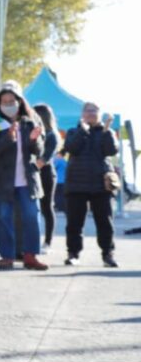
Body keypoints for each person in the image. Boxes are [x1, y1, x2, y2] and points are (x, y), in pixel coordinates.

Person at [0, 82, 48, 271]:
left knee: (31, 216)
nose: (8, 105)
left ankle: (30, 255)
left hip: (27, 179)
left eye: (12, 101)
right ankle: (6, 256)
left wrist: (34, 140)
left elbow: (38, 151)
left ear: (20, 102)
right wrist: (8, 139)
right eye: (4, 102)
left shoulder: (29, 122)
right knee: (3, 218)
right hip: (1, 180)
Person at [63, 102, 119, 268]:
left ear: (100, 114)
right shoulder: (73, 131)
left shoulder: (107, 132)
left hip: (101, 184)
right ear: (82, 114)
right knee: (74, 222)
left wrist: (106, 130)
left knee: (105, 222)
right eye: (88, 110)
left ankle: (107, 254)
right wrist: (83, 130)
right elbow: (71, 148)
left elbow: (111, 150)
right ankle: (73, 253)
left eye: (94, 111)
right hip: (76, 184)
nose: (91, 113)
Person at [32, 104, 61, 252]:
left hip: (46, 174)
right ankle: (31, 241)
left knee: (46, 207)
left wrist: (32, 168)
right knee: (31, 208)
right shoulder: (34, 132)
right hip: (33, 172)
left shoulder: (52, 135)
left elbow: (44, 158)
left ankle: (47, 242)